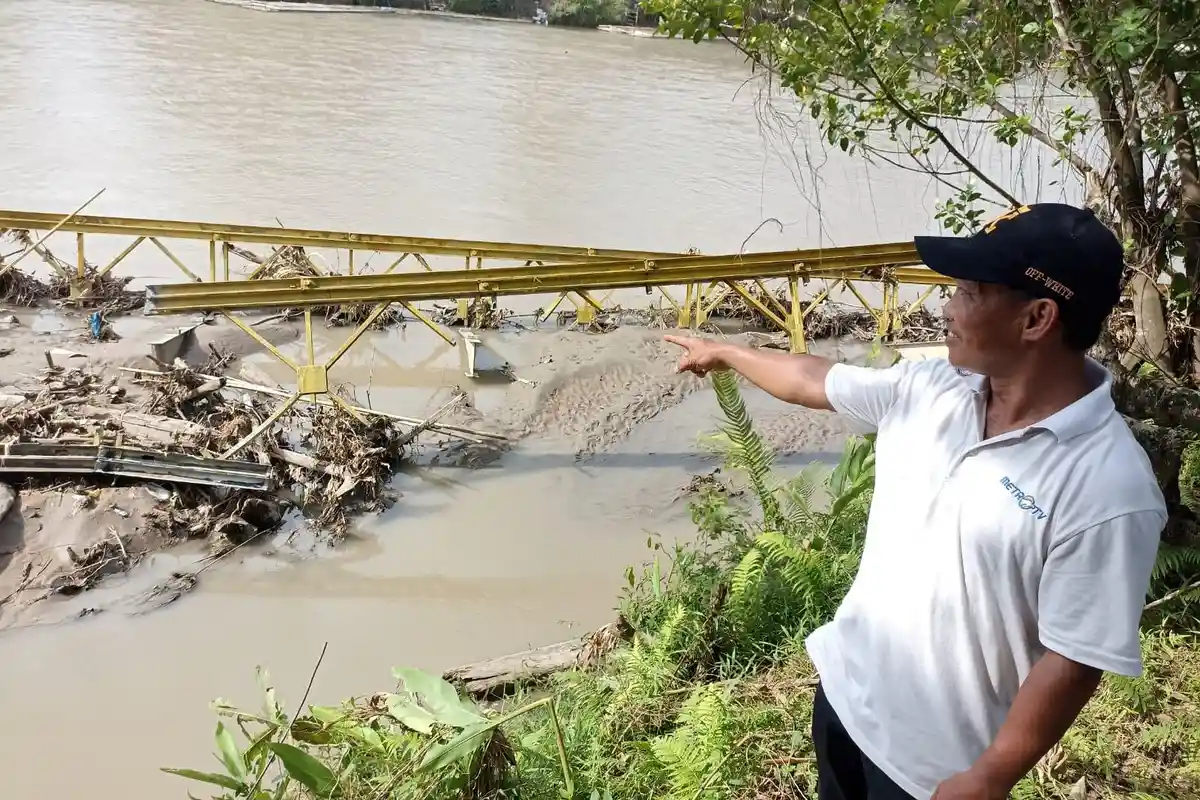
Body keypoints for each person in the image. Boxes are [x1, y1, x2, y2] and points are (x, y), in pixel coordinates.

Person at [664, 203, 1167, 800]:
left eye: (969, 291)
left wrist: (992, 774)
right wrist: (728, 354)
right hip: (845, 699)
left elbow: (1074, 655)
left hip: (930, 771)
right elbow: (814, 379)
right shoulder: (930, 389)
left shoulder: (1108, 484)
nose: (946, 307)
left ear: (1037, 318)